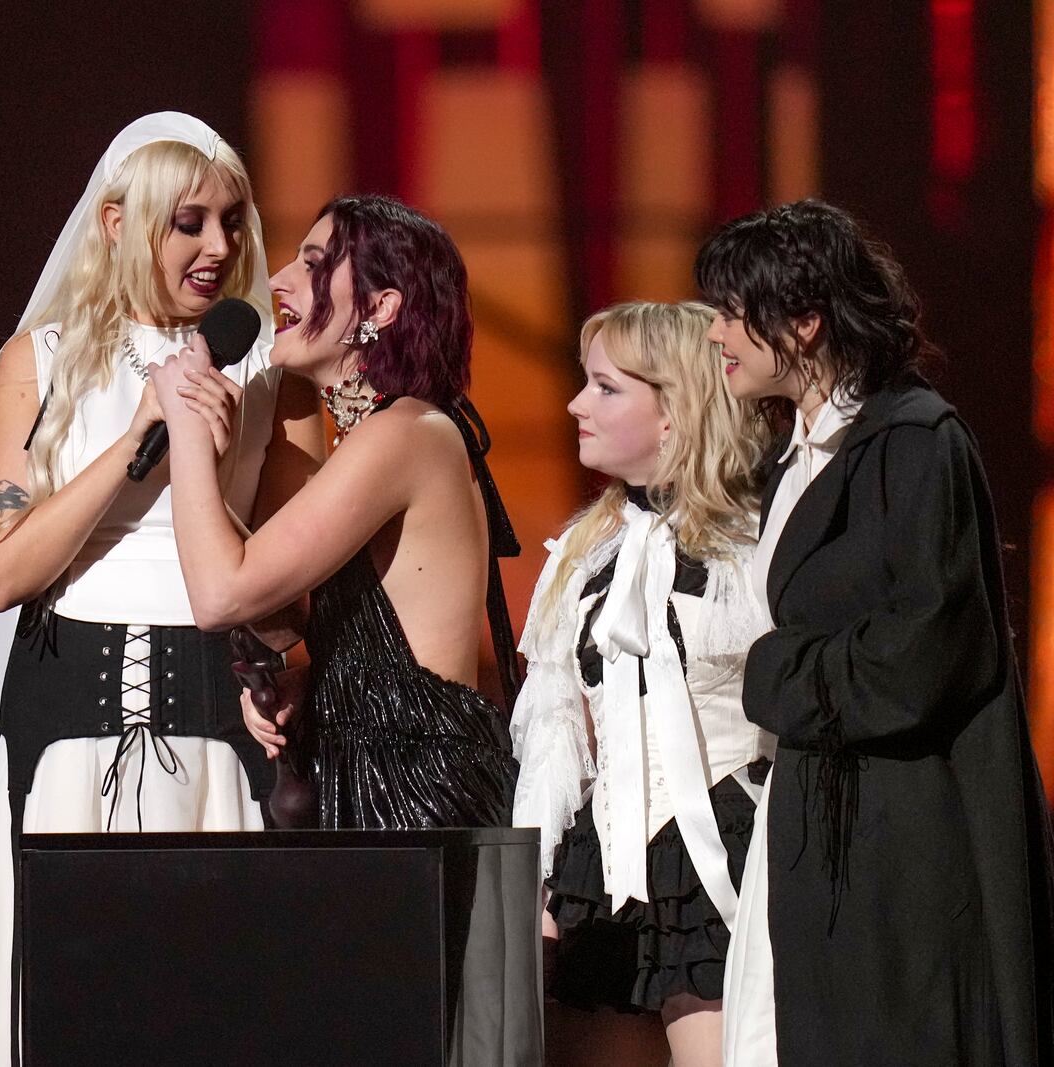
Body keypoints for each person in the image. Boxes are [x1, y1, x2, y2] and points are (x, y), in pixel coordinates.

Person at [0, 113, 324, 1063]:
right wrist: (140, 439)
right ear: (115, 223)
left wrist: (284, 664)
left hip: (215, 724)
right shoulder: (40, 362)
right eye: (187, 221)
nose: (219, 246)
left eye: (232, 221)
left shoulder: (273, 373)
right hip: (61, 728)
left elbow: (297, 591)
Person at [698, 199, 1054, 1066]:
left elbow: (924, 652)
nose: (714, 334)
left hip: (901, 839)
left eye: (733, 312)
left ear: (807, 322)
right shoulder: (797, 455)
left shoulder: (915, 440)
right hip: (826, 822)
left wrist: (769, 672)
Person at [150, 193, 519, 830]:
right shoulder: (385, 433)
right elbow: (303, 622)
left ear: (379, 308)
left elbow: (219, 595)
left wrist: (184, 425)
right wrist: (322, 692)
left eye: (315, 264)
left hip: (413, 801)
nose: (278, 281)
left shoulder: (406, 433)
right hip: (373, 784)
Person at [508, 302, 773, 1067]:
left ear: (674, 412)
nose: (575, 404)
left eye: (604, 387)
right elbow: (554, 734)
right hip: (607, 864)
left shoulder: (754, 545)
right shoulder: (583, 554)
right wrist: (533, 880)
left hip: (730, 853)